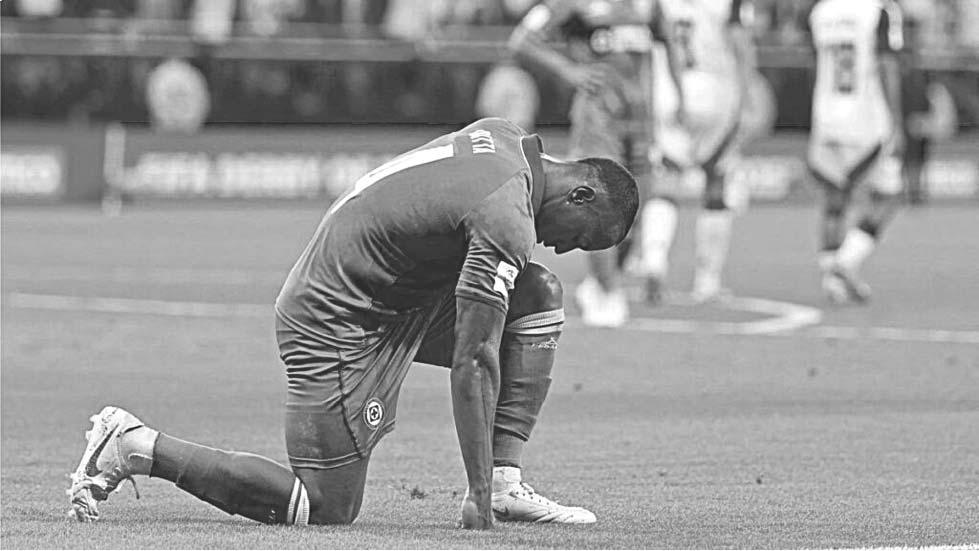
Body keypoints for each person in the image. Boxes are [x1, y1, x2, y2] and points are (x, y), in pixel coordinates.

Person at [67, 118, 640, 529]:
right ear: (581, 194)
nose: (564, 247)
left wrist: (490, 484)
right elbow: (473, 358)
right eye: (582, 237)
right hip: (335, 319)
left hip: (392, 299)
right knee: (327, 506)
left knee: (537, 294)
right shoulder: (507, 217)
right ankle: (134, 445)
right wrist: (475, 491)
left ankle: (507, 488)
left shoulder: (507, 138)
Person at [509, 0, 685, 327]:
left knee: (636, 208)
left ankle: (599, 284)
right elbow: (522, 40)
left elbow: (669, 42)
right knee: (604, 203)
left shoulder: (648, 5)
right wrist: (569, 71)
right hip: (599, 118)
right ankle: (608, 292)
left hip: (641, 120)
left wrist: (680, 95)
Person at [637, 0, 762, 304]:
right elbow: (741, 44)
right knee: (716, 181)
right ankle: (707, 280)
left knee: (666, 182)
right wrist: (748, 97)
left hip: (670, 92)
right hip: (716, 94)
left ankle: (654, 261)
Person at [807, 0, 904, 304]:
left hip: (826, 116)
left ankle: (831, 281)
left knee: (834, 200)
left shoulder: (820, 12)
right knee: (889, 196)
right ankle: (845, 262)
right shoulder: (879, 11)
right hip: (866, 120)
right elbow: (887, 66)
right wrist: (896, 120)